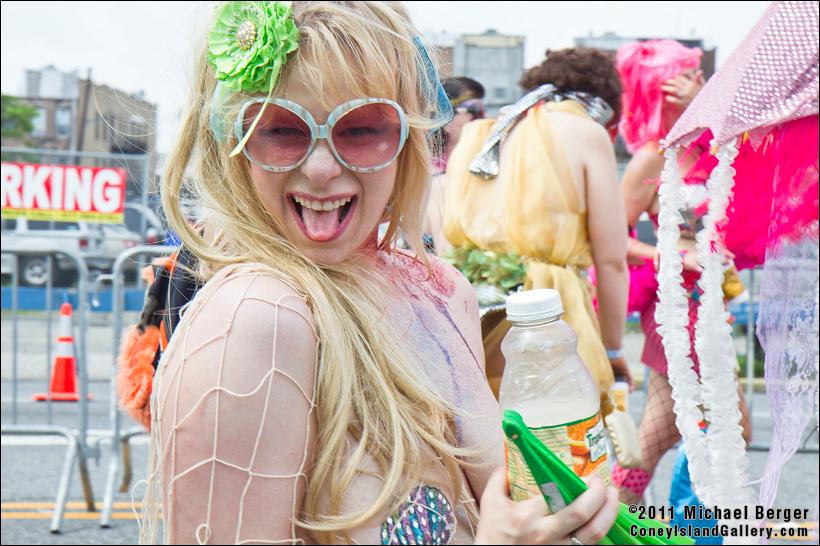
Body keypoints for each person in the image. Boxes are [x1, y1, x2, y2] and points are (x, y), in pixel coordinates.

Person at [138, 2, 619, 544]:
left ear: (409, 138)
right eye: (282, 129)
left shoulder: (441, 291)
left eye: (362, 128)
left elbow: (511, 503)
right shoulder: (256, 319)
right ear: (233, 141)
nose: (321, 168)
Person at [442, 47, 631, 414]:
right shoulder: (586, 132)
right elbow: (612, 262)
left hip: (471, 313)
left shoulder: (481, 134)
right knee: (557, 438)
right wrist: (613, 350)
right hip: (547, 315)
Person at [614, 39, 751, 505]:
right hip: (675, 305)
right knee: (703, 427)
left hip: (709, 301)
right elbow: (612, 238)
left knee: (700, 427)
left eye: (698, 77)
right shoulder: (652, 157)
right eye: (688, 77)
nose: (698, 83)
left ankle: (639, 518)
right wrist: (673, 256)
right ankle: (613, 518)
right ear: (662, 93)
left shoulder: (715, 147)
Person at [426, 77, 486, 254]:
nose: (483, 119)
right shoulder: (433, 177)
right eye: (474, 110)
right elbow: (448, 254)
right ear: (446, 118)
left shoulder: (482, 166)